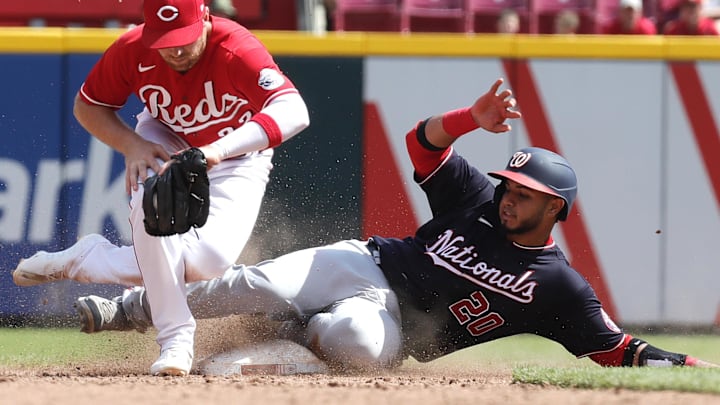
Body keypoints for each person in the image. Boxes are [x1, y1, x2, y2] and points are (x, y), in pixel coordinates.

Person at [31, 79, 720, 372]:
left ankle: (282, 345)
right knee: (260, 280)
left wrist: (687, 365)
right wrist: (467, 120)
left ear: (556, 210)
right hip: (369, 263)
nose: (510, 197)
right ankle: (125, 307)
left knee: (348, 339)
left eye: (526, 194)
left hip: (394, 328)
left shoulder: (558, 284)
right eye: (510, 185)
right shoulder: (477, 202)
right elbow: (423, 144)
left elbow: (613, 347)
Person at [12, 0, 310, 377]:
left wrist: (216, 150)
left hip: (236, 155)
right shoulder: (132, 49)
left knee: (207, 264)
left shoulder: (236, 48)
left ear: (204, 17)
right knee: (156, 207)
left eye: (184, 37)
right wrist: (131, 145)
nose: (176, 49)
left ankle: (85, 258)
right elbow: (88, 106)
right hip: (164, 142)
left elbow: (294, 110)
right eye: (165, 39)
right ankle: (176, 337)